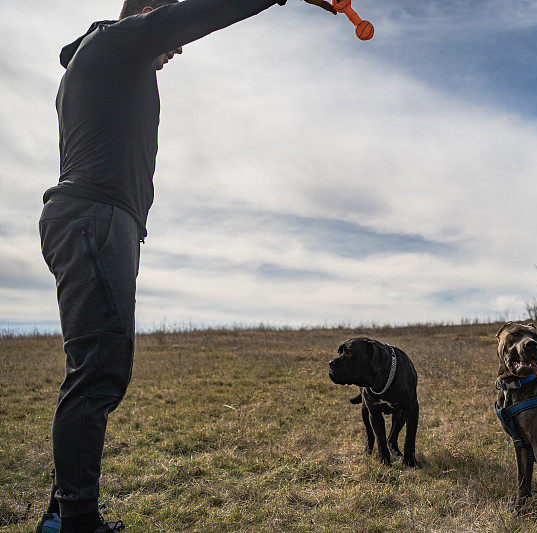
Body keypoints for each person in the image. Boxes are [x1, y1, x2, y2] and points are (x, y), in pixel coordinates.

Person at [36, 1, 335, 531]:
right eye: (166, 35)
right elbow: (204, 13)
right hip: (96, 219)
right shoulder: (115, 42)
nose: (173, 52)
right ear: (148, 13)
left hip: (92, 219)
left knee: (95, 370)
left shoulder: (94, 59)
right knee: (98, 372)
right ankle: (76, 519)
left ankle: (67, 509)